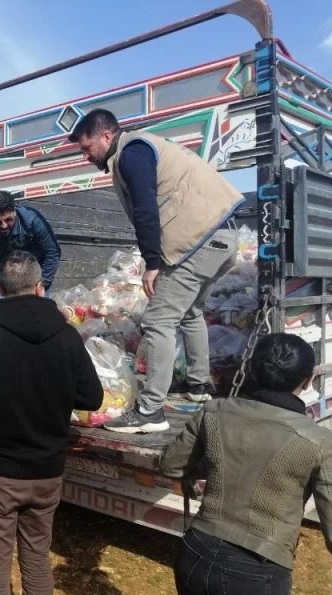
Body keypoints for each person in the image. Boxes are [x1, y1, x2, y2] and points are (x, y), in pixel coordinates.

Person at [68, 108, 243, 433]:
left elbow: (147, 209)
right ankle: (198, 385)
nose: (85, 154)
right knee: (190, 313)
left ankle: (149, 412)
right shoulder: (141, 148)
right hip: (221, 237)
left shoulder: (132, 152)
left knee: (158, 321)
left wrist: (152, 263)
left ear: (106, 135)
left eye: (86, 146)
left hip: (199, 240)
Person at [0, 250, 103, 595]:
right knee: (36, 557)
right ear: (39, 287)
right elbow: (91, 397)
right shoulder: (65, 336)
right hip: (46, 469)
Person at [162, 333, 332, 595]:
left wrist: (217, 462)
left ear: (250, 369)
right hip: (257, 568)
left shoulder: (213, 410)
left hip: (195, 552)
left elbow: (172, 465)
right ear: (308, 379)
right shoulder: (319, 441)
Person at [0, 190, 61, 306]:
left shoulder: (33, 220)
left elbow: (53, 252)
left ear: (14, 212)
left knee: (40, 311)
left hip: (35, 274)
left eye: (8, 220)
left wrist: (43, 284)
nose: (4, 226)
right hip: (8, 275)